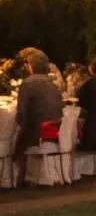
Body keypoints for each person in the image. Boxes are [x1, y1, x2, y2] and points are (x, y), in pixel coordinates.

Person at [13, 48, 63, 185]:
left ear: (29, 66)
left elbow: (22, 113)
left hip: (39, 132)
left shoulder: (28, 84)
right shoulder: (52, 83)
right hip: (55, 129)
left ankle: (19, 178)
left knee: (14, 139)